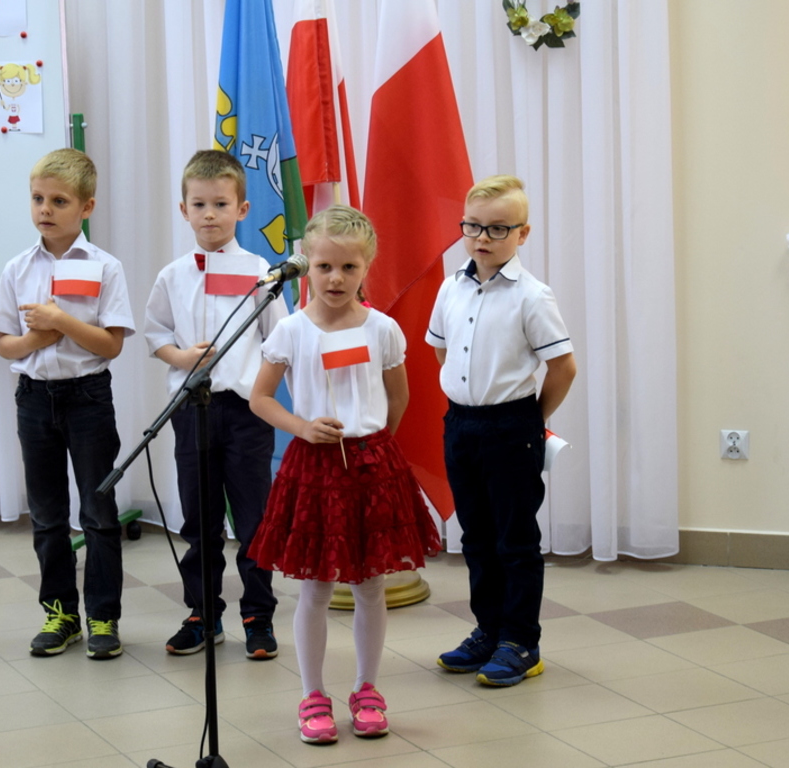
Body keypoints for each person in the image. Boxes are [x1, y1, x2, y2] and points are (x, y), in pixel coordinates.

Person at [248, 205, 441, 744]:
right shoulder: (290, 329)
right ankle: (313, 693)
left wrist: (371, 442)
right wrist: (302, 427)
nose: (336, 278)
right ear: (306, 263)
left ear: (366, 267)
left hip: (371, 465)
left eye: (349, 268)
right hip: (314, 466)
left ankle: (367, 688)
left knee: (371, 585)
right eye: (325, 266)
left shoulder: (382, 329)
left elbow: (397, 397)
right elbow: (261, 398)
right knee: (314, 587)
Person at [0, 148, 135, 660]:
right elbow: (5, 343)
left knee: (97, 511)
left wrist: (60, 323)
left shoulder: (105, 267)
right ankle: (61, 613)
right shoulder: (17, 267)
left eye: (59, 201)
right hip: (33, 398)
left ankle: (103, 616)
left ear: (86, 207)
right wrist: (37, 340)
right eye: (37, 199)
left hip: (88, 398)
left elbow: (111, 344)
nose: (45, 209)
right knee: (48, 515)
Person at [428, 175, 576, 688]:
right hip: (461, 424)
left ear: (522, 233)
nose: (482, 237)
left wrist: (530, 420)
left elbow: (563, 368)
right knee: (476, 537)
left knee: (514, 540)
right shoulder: (451, 285)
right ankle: (487, 631)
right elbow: (441, 349)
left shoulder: (532, 296)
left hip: (512, 426)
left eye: (497, 228)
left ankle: (521, 641)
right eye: (473, 226)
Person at [144, 150, 285, 660]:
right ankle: (204, 613)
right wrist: (181, 355)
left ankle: (258, 616)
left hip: (246, 414)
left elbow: (279, 342)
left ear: (241, 210)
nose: (209, 214)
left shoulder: (261, 272)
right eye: (199, 204)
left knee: (253, 520)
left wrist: (257, 387)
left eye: (220, 204)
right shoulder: (172, 276)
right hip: (192, 410)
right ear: (183, 209)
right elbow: (154, 331)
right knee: (198, 521)